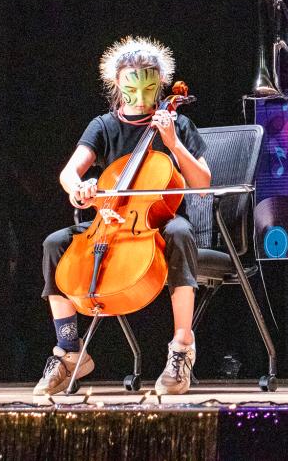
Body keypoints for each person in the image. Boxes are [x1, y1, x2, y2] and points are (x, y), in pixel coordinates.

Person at [34, 36, 211, 396]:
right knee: (55, 243)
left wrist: (173, 143)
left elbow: (203, 184)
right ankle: (70, 351)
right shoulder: (102, 126)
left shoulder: (176, 124)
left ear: (160, 84)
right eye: (132, 84)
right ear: (117, 84)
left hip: (159, 224)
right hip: (110, 222)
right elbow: (69, 173)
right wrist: (79, 188)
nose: (141, 94)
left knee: (180, 232)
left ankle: (181, 346)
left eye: (150, 84)